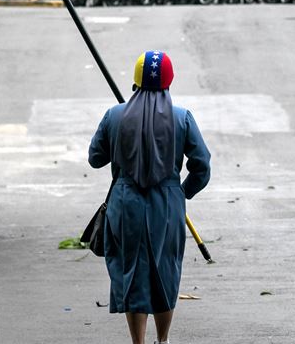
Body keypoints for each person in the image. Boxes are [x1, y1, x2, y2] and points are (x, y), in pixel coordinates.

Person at [89, 51, 211, 344]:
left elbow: (95, 158)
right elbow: (202, 165)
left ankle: (138, 342)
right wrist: (182, 192)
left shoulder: (114, 115)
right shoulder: (182, 118)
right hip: (166, 205)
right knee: (165, 271)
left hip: (125, 203)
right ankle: (164, 339)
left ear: (134, 82)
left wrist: (119, 137)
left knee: (132, 272)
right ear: (169, 82)